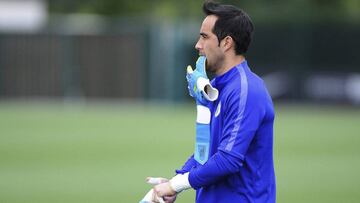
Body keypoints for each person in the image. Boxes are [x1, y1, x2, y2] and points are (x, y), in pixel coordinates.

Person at [150, 1, 276, 202]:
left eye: (204, 37)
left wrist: (175, 184)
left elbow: (228, 160)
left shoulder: (246, 90)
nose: (197, 45)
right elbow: (206, 151)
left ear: (226, 43)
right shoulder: (217, 87)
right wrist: (173, 184)